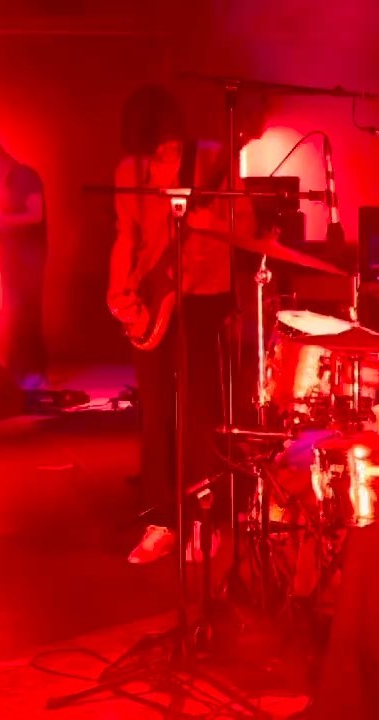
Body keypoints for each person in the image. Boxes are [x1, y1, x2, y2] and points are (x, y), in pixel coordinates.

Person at [107, 85, 255, 564]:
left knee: (199, 415)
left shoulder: (211, 159)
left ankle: (203, 522)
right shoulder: (129, 170)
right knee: (155, 417)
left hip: (204, 297)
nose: (158, 155)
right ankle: (160, 522)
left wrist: (210, 222)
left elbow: (246, 227)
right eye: (151, 147)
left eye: (164, 145)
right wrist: (118, 291)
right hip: (152, 301)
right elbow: (126, 235)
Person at [0, 136, 48, 390]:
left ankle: (33, 373)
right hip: (9, 257)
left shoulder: (24, 176)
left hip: (28, 258)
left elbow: (36, 215)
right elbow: (7, 221)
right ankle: (15, 372)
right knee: (10, 315)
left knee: (26, 315)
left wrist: (2, 221)